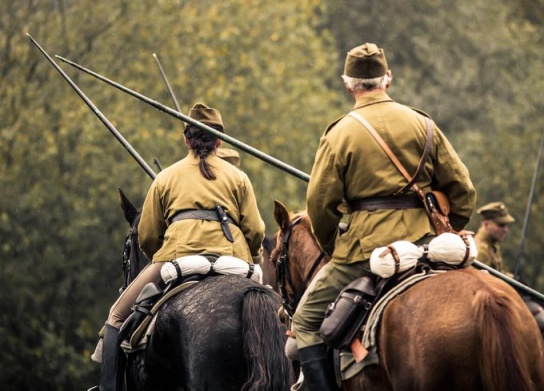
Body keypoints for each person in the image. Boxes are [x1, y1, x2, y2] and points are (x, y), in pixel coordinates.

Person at [295, 42, 476, 391]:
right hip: (429, 244)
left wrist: (336, 245)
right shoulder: (424, 124)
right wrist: (449, 232)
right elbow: (463, 190)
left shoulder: (339, 133)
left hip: (365, 249)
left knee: (304, 322)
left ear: (349, 85)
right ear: (388, 79)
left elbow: (320, 206)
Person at [90, 102, 265, 391]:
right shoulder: (239, 178)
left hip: (178, 261)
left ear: (186, 139)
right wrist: (251, 254)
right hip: (235, 261)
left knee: (116, 317)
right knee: (283, 316)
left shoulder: (165, 178)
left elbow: (146, 236)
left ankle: (108, 387)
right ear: (220, 141)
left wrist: (163, 255)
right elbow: (256, 230)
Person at [474, 201, 515, 272]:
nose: (506, 230)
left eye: (506, 225)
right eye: (501, 225)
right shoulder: (480, 251)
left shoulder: (491, 246)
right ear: (486, 225)